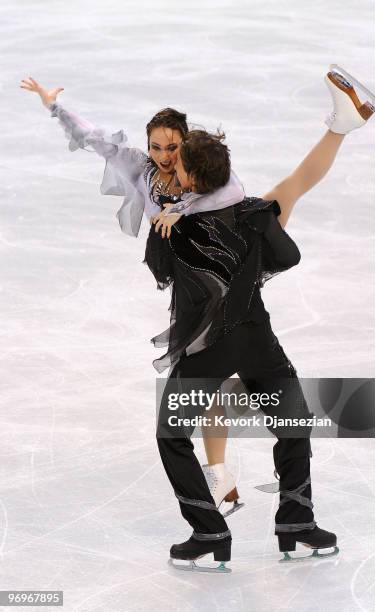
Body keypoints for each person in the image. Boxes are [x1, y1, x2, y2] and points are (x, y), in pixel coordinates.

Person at [148, 65, 375, 571]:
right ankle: (297, 526)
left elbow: (159, 271)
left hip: (207, 351)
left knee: (172, 435)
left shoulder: (177, 229)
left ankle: (209, 531)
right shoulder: (255, 215)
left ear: (190, 178)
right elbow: (286, 256)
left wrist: (169, 215)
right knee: (293, 424)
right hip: (257, 341)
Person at [19, 76, 245, 514]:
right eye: (157, 147)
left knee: (205, 375)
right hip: (186, 284)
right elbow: (94, 139)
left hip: (217, 279)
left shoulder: (204, 171)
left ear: (186, 144)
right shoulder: (142, 169)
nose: (164, 157)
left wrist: (181, 209)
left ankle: (222, 470)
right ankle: (221, 474)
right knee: (204, 375)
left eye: (172, 148)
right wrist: (54, 107)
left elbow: (234, 190)